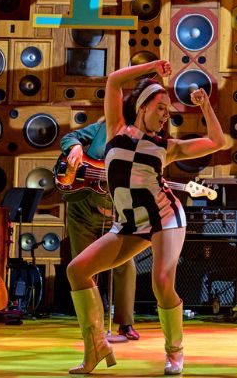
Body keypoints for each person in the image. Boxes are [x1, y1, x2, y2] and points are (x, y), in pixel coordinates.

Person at [66, 59, 229, 375]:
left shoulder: (167, 147)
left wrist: (205, 106)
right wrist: (154, 66)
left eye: (169, 111)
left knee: (162, 282)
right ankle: (96, 345)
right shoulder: (114, 130)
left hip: (165, 218)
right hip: (128, 224)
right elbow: (114, 80)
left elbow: (217, 142)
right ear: (142, 107)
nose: (166, 115)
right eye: (161, 108)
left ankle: (175, 352)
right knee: (77, 270)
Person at [60, 118, 139, 340]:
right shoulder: (102, 128)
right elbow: (69, 137)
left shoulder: (144, 143)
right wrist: (75, 147)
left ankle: (125, 323)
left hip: (116, 215)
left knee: (126, 265)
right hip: (82, 209)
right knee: (84, 266)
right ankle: (91, 325)